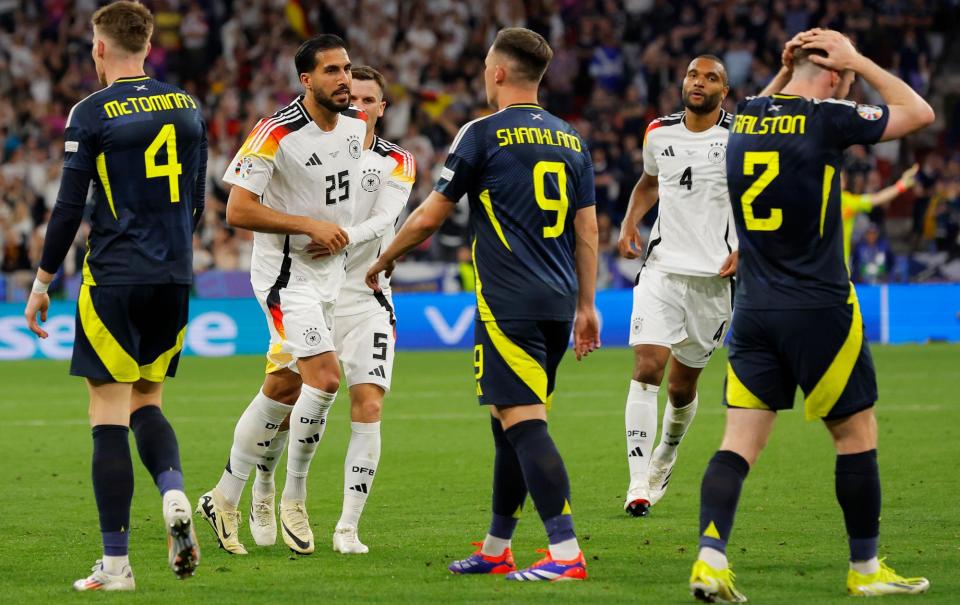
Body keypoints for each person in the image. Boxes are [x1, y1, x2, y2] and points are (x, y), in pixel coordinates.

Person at [689, 29, 934, 602]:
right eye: (843, 75)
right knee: (855, 435)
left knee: (737, 443)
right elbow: (917, 112)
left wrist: (789, 72)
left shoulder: (743, 118)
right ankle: (866, 568)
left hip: (752, 308)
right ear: (833, 76)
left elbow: (766, 106)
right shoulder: (830, 117)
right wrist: (860, 60)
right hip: (820, 307)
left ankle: (709, 560)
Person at [366, 27, 601, 583]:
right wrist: (587, 304)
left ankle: (566, 553)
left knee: (523, 422)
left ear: (498, 72)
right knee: (506, 421)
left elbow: (431, 214)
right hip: (559, 296)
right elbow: (587, 229)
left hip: (508, 300)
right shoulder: (572, 137)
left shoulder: (483, 132)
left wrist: (384, 258)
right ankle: (498, 546)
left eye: (485, 67)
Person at [23, 0, 206, 590]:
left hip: (116, 276)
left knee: (107, 415)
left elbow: (69, 206)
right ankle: (174, 492)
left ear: (99, 47)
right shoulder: (186, 105)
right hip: (176, 275)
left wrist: (43, 281)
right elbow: (199, 198)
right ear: (148, 44)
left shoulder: (91, 112)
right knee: (147, 401)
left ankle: (117, 565)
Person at [194, 34, 367, 556]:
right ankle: (293, 495)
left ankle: (225, 496)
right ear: (307, 80)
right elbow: (237, 210)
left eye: (347, 69)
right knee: (326, 378)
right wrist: (306, 226)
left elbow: (340, 201)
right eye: (332, 71)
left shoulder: (356, 127)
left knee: (284, 387)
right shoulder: (275, 132)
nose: (343, 79)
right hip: (285, 279)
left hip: (329, 277)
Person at [247, 65, 416, 555]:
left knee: (369, 403)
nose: (359, 106)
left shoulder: (396, 160)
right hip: (308, 291)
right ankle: (263, 484)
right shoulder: (314, 147)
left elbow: (389, 217)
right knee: (283, 396)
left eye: (370, 100)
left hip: (367, 297)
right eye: (353, 98)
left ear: (383, 108)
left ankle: (347, 527)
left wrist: (340, 239)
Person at [617, 55, 737, 517]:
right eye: (693, 74)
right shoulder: (658, 132)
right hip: (662, 269)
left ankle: (665, 453)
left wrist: (745, 246)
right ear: (683, 81)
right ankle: (637, 482)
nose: (699, 82)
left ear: (723, 92)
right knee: (647, 366)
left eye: (711, 78)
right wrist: (630, 221)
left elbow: (759, 196)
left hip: (713, 279)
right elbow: (650, 182)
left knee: (681, 388)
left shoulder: (738, 138)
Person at [840, 164, 918, 267]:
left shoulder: (849, 201)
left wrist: (901, 185)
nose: (841, 183)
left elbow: (877, 198)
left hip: (840, 267)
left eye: (842, 180)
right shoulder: (816, 203)